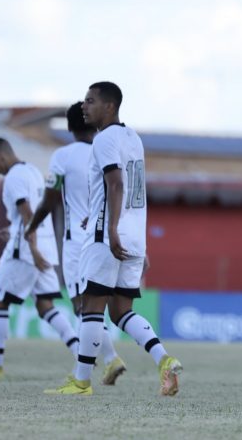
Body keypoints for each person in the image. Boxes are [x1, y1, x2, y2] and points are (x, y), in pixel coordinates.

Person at [45, 81, 181, 396]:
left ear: (109, 106)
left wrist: (110, 229)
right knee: (121, 311)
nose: (84, 106)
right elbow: (132, 188)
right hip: (133, 235)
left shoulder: (104, 138)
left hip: (108, 235)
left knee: (91, 306)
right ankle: (164, 359)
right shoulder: (133, 137)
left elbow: (116, 183)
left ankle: (80, 382)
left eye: (90, 101)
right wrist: (125, 232)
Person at [25, 101, 126, 385]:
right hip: (103, 235)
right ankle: (109, 359)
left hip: (75, 241)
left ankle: (107, 361)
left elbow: (51, 197)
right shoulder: (104, 152)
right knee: (95, 305)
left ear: (69, 127)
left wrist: (32, 225)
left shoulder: (62, 156)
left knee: (82, 306)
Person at [0, 138, 78, 378]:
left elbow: (28, 214)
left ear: (1, 157)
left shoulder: (13, 177)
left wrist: (31, 249)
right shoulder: (33, 171)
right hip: (46, 244)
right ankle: (82, 353)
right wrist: (13, 230)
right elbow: (29, 215)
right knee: (46, 306)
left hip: (25, 250)